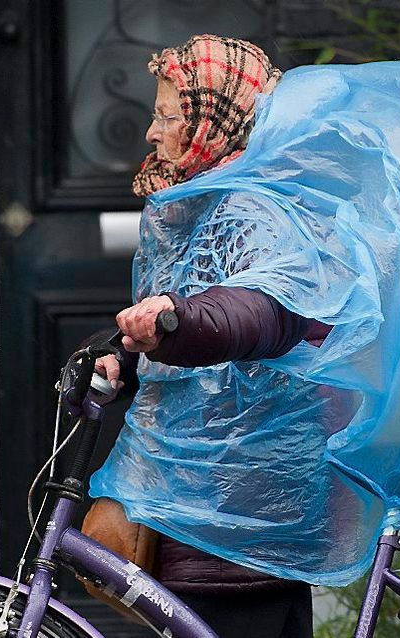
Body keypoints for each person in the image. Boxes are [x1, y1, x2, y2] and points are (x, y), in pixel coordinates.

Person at [89, 35, 323, 638]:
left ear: (212, 121)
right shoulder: (192, 210)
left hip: (243, 505)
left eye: (168, 116)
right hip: (201, 497)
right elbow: (176, 325)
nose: (151, 131)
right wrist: (124, 353)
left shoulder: (262, 208)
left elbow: (261, 313)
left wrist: (176, 320)